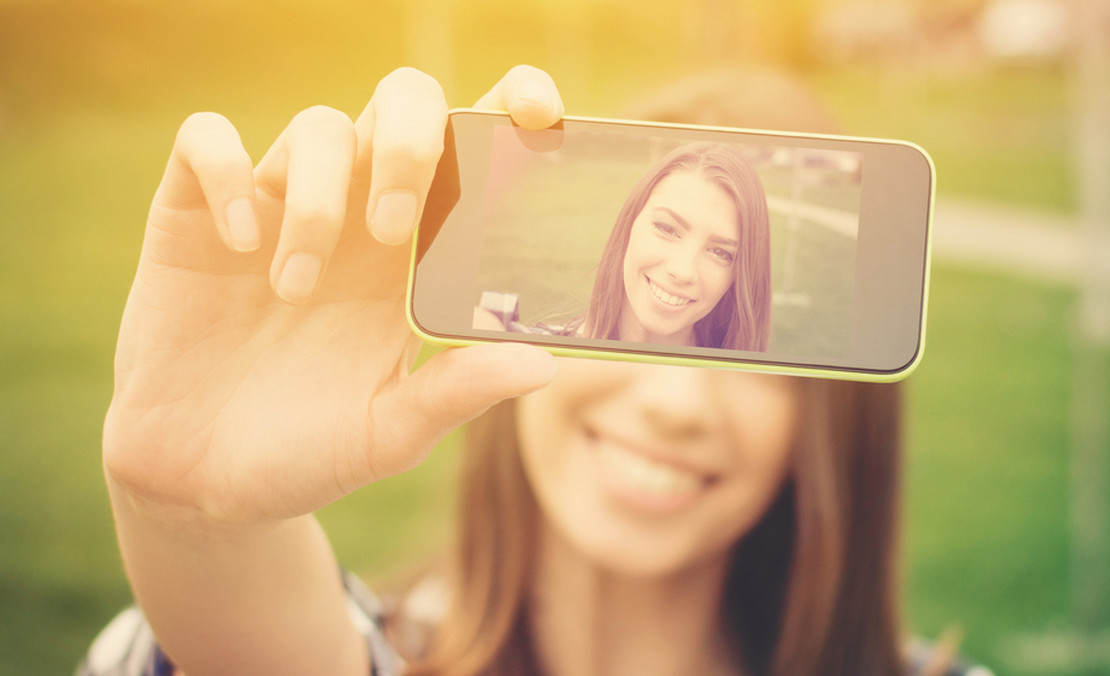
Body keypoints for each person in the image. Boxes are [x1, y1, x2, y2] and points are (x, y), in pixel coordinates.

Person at [79, 65, 980, 676]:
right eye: (665, 228)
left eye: (752, 362)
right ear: (622, 238)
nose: (675, 402)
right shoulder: (244, 643)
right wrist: (191, 526)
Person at [476, 140, 771, 351]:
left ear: (738, 277)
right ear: (629, 225)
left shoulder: (750, 406)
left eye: (720, 253)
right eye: (666, 228)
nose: (682, 270)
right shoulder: (535, 356)